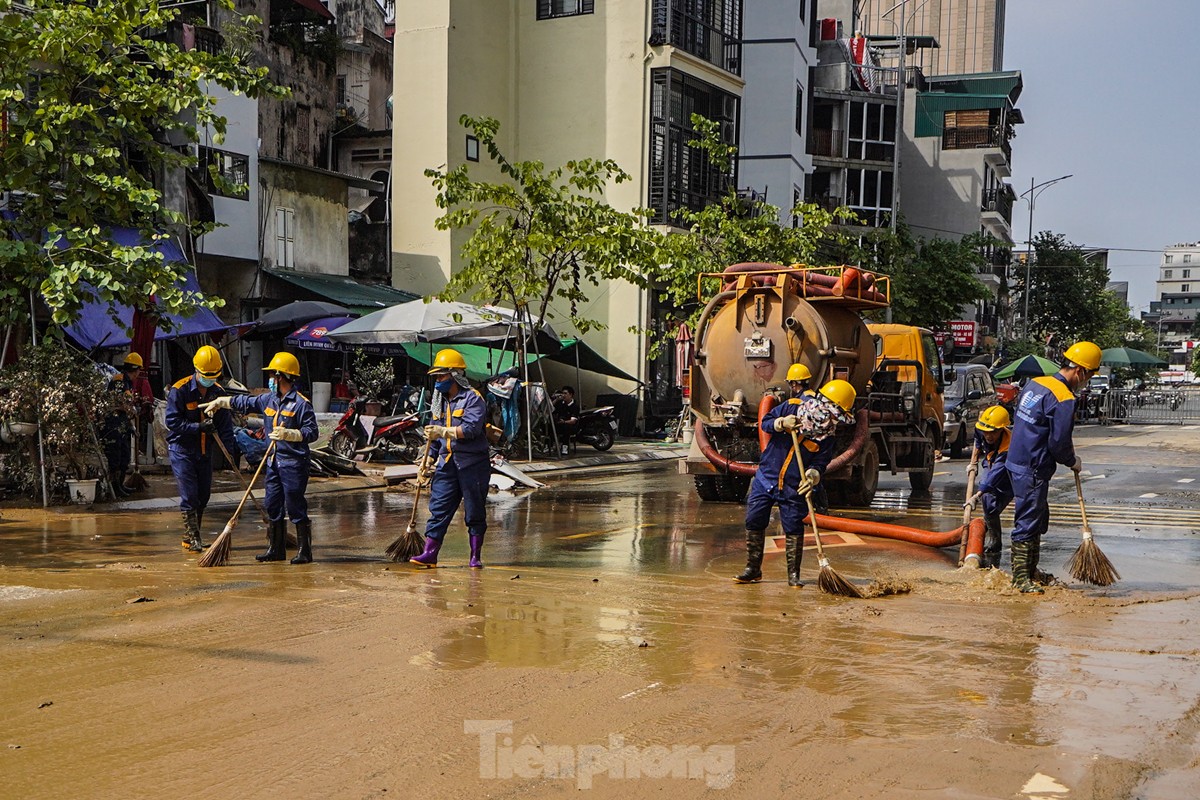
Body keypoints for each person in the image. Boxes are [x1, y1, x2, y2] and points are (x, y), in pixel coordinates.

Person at [735, 374, 856, 588]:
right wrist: (781, 423)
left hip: (793, 485)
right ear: (823, 406)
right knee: (754, 519)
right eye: (832, 415)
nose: (832, 421)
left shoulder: (827, 437)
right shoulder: (792, 407)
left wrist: (813, 476)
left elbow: (820, 463)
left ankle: (793, 575)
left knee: (793, 526)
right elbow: (765, 423)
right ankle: (753, 569)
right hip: (767, 477)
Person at [201, 352, 319, 564]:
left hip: (293, 463)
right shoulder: (269, 399)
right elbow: (245, 402)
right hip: (273, 461)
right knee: (272, 503)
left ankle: (305, 551)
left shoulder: (301, 404)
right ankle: (276, 548)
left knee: (294, 505)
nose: (270, 381)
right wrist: (222, 401)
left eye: (273, 376)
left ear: (282, 376)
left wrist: (292, 435)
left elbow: (312, 432)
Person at [1004, 341, 1101, 593]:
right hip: (1033, 466)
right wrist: (1072, 461)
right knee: (1027, 520)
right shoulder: (1064, 398)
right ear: (1080, 371)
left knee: (1035, 519)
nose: (1087, 382)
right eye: (1089, 376)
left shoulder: (1036, 383)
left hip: (1016, 459)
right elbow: (1059, 444)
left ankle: (1029, 571)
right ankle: (1020, 579)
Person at [409, 348, 490, 569]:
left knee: (474, 511)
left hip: (472, 464)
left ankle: (475, 556)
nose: (438, 380)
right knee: (438, 508)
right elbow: (434, 441)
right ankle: (430, 553)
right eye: (436, 376)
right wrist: (428, 460)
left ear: (455, 374)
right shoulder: (440, 402)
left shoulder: (473, 399)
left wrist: (443, 431)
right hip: (447, 464)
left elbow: (472, 429)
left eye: (442, 375)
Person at [165, 346, 238, 552]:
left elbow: (226, 427)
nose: (209, 379)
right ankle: (194, 537)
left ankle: (190, 536)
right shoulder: (180, 390)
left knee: (203, 495)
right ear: (196, 370)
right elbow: (172, 422)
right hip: (182, 450)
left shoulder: (218, 392)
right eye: (206, 376)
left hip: (204, 452)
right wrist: (198, 427)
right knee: (189, 495)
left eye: (213, 376)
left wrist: (230, 453)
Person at [967, 405, 1013, 569]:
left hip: (1008, 472)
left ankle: (991, 532)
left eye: (993, 432)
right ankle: (995, 540)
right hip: (990, 460)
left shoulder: (1008, 446)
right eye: (986, 431)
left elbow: (993, 476)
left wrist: (976, 495)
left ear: (1002, 429)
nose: (988, 435)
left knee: (991, 492)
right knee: (988, 500)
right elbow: (978, 441)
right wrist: (973, 462)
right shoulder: (982, 430)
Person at [101, 353, 144, 497]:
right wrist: (130, 408)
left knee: (125, 456)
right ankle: (113, 488)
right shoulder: (119, 380)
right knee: (115, 457)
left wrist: (132, 426)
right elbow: (117, 403)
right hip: (112, 424)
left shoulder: (129, 383)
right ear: (136, 369)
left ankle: (120, 485)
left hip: (123, 423)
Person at [552, 386, 580, 452]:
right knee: (551, 426)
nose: (563, 395)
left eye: (565, 393)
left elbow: (573, 421)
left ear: (570, 395)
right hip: (560, 423)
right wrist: (556, 400)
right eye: (562, 393)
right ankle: (551, 445)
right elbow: (551, 408)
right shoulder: (561, 404)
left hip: (570, 425)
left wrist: (564, 422)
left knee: (566, 428)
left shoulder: (575, 406)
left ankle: (565, 446)